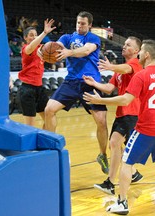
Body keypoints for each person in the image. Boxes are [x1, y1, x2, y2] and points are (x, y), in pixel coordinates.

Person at [83, 39, 155, 215]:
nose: (138, 55)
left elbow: (125, 99)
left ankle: (122, 203)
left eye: (140, 52)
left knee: (127, 162)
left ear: (146, 54)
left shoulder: (142, 74)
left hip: (148, 126)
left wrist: (100, 100)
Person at [43, 11, 109, 174]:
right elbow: (55, 49)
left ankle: (102, 154)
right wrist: (44, 51)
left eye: (83, 24)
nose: (80, 26)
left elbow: (86, 51)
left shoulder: (93, 38)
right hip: (71, 82)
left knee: (101, 121)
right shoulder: (67, 38)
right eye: (78, 23)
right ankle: (52, 150)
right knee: (49, 110)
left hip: (90, 82)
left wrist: (69, 52)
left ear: (90, 25)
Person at [83, 36, 143, 196]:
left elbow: (126, 69)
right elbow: (109, 88)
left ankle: (113, 182)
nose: (124, 47)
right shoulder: (118, 72)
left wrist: (110, 66)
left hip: (134, 113)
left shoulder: (135, 65)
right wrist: (94, 84)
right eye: (124, 44)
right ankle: (129, 175)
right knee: (115, 144)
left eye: (128, 45)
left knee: (121, 148)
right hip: (122, 113)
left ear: (136, 51)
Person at [17, 18, 55, 128]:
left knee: (49, 118)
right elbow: (31, 47)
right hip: (27, 89)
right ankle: (31, 145)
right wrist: (44, 33)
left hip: (39, 88)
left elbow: (50, 48)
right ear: (25, 38)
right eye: (31, 35)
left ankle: (45, 142)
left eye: (35, 34)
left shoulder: (41, 48)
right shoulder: (25, 49)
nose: (34, 37)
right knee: (30, 127)